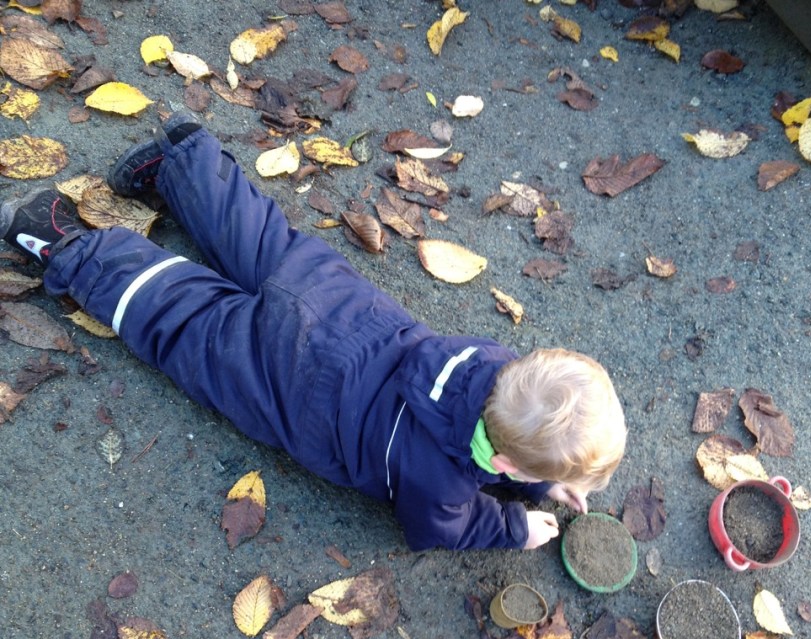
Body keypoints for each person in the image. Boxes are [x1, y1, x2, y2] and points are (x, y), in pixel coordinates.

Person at [0, 114, 627, 551]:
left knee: (258, 239)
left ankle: (185, 159)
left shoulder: (490, 363)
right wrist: (514, 526)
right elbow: (440, 526)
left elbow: (513, 427)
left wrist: (547, 476)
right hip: (291, 384)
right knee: (182, 318)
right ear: (509, 465)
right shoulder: (438, 480)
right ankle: (62, 246)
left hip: (335, 303)